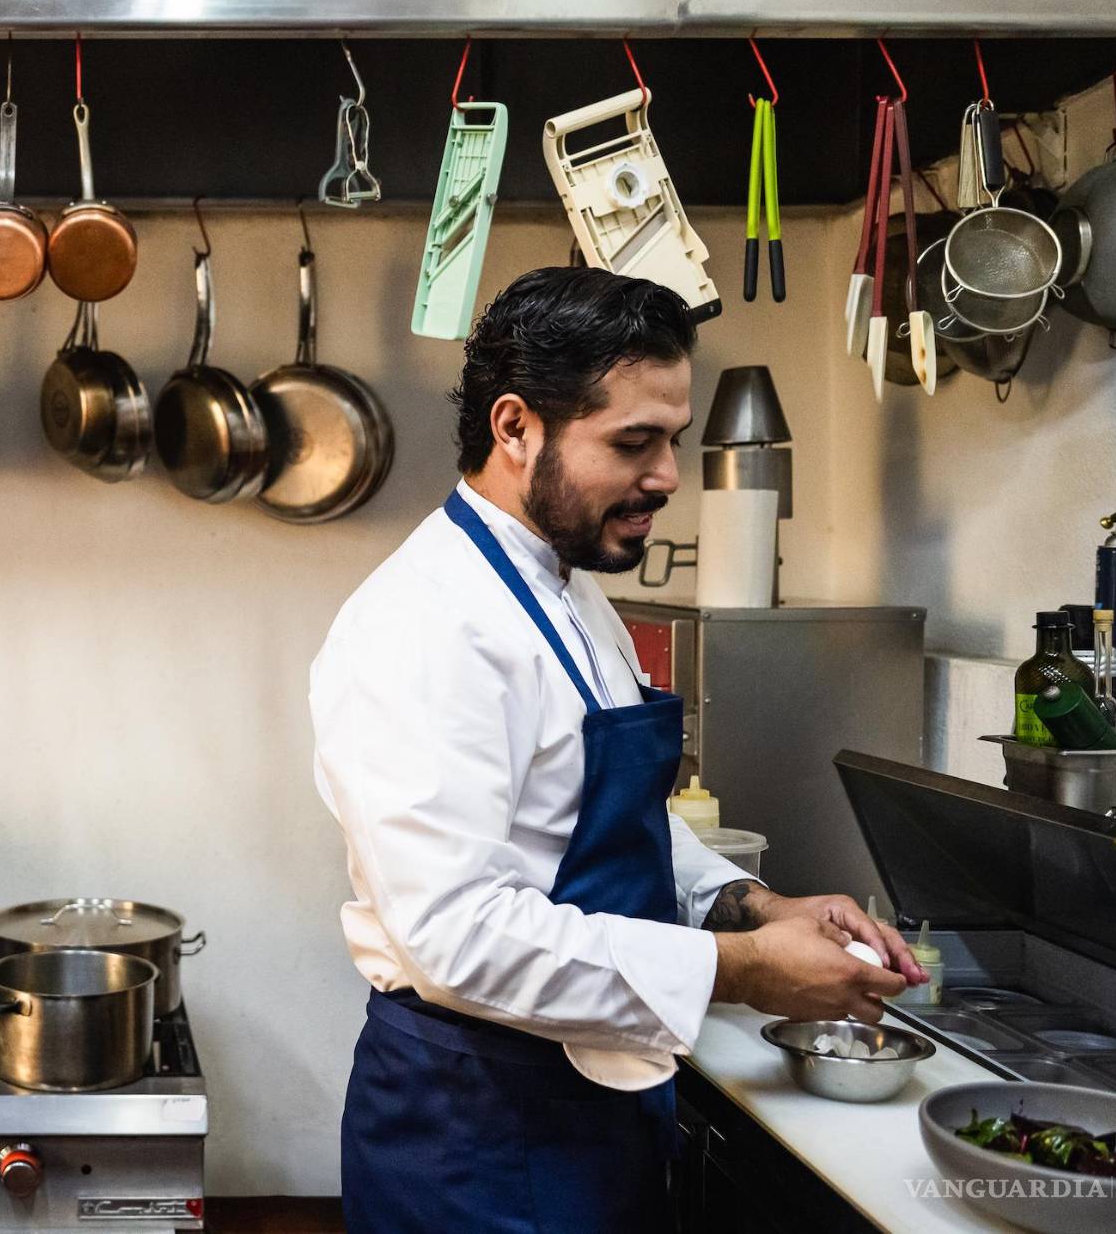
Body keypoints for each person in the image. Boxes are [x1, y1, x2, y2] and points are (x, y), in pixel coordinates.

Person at [311, 268, 921, 1233]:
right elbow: (460, 938)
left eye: (671, 438)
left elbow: (604, 822)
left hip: (601, 1100)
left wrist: (750, 901)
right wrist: (744, 965)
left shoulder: (571, 584)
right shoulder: (422, 625)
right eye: (633, 442)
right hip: (479, 1123)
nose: (670, 476)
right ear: (515, 427)